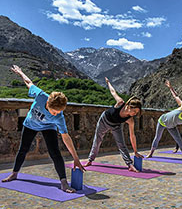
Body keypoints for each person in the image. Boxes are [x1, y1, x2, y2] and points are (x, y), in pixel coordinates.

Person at [2, 65, 85, 193]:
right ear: (47, 104)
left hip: (48, 127)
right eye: (54, 112)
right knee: (23, 149)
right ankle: (14, 173)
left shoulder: (59, 117)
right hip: (30, 124)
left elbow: (66, 138)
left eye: (59, 112)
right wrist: (20, 72)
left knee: (55, 152)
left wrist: (76, 159)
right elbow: (29, 82)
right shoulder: (40, 95)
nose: (57, 114)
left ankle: (63, 182)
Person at [84, 77, 143, 172]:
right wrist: (108, 82)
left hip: (116, 125)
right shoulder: (120, 103)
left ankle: (129, 164)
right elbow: (113, 92)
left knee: (121, 144)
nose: (135, 114)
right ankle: (90, 160)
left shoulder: (130, 120)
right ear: (128, 106)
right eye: (134, 111)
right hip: (104, 120)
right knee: (98, 140)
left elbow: (132, 135)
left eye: (137, 112)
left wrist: (135, 151)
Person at [147, 80, 182, 161]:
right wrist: (170, 87)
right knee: (157, 137)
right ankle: (150, 153)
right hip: (162, 121)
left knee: (179, 140)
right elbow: (176, 96)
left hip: (171, 126)